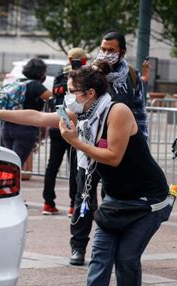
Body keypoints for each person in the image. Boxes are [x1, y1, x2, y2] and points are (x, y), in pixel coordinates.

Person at [0, 63, 172, 286]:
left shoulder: (116, 111)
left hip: (148, 200)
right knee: (100, 255)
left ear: (89, 93)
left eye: (72, 91)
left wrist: (75, 142)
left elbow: (114, 156)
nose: (66, 96)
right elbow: (38, 118)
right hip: (116, 198)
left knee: (126, 258)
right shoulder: (78, 113)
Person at [68, 29, 147, 266]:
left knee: (114, 200)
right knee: (84, 197)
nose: (106, 53)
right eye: (103, 48)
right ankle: (78, 246)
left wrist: (141, 144)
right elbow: (74, 105)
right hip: (90, 148)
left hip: (118, 149)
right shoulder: (89, 74)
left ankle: (109, 247)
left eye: (111, 50)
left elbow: (140, 112)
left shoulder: (131, 76)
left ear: (121, 52)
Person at [42, 48, 87, 216]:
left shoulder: (60, 77)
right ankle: (72, 205)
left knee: (52, 165)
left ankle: (48, 203)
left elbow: (56, 102)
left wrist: (61, 121)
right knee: (75, 167)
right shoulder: (84, 78)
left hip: (58, 123)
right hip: (74, 126)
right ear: (83, 60)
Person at [1, 58, 52, 165]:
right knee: (15, 164)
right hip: (25, 129)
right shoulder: (35, 85)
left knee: (11, 162)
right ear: (41, 73)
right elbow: (52, 98)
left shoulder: (18, 83)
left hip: (7, 127)